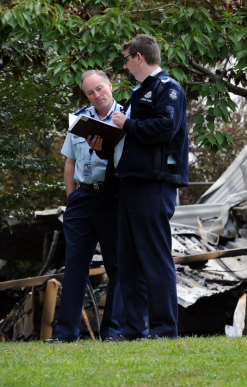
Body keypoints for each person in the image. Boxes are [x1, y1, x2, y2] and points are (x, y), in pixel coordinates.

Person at [91, 34, 189, 339]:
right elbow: (127, 141)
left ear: (138, 57)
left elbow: (165, 128)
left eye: (125, 59)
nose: (125, 65)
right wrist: (101, 146)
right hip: (129, 184)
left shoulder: (167, 89)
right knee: (128, 262)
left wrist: (127, 125)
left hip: (153, 184)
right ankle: (132, 330)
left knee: (155, 259)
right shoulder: (137, 93)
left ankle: (163, 329)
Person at [45, 70, 125, 343]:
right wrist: (72, 197)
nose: (96, 96)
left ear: (110, 86)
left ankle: (112, 332)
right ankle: (66, 335)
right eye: (90, 92)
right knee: (74, 265)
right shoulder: (80, 118)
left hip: (112, 198)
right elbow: (69, 161)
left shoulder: (125, 117)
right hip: (82, 199)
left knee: (116, 266)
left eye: (100, 89)